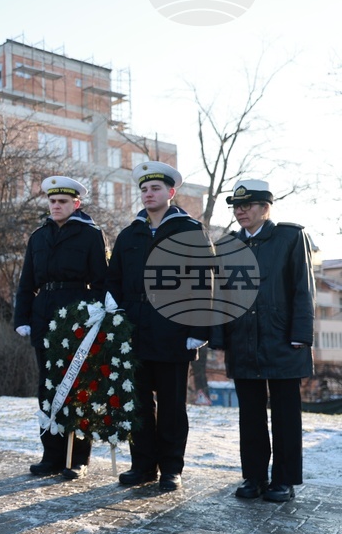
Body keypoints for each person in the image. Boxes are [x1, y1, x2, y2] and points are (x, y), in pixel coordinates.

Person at [105, 162, 209, 492]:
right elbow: (114, 279)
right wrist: (115, 312)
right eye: (144, 190)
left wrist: (199, 329)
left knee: (172, 405)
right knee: (137, 403)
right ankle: (143, 465)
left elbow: (206, 283)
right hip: (135, 331)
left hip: (174, 330)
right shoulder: (129, 234)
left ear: (171, 193)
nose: (149, 194)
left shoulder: (188, 231)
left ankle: (171, 468)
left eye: (156, 189)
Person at [210, 179, 314, 503]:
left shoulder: (290, 237)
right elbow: (220, 295)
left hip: (283, 339)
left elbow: (302, 288)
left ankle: (283, 480)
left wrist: (300, 335)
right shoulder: (227, 245)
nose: (240, 211)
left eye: (247, 205)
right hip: (243, 340)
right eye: (236, 206)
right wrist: (218, 338)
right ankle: (253, 476)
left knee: (285, 415)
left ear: (265, 207)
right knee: (250, 415)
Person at [14, 176, 107, 480]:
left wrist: (97, 313)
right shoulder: (39, 236)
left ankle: (77, 457)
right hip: (44, 315)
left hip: (77, 314)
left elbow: (100, 281)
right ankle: (51, 454)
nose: (56, 206)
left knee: (78, 388)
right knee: (48, 388)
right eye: (52, 201)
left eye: (62, 202)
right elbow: (26, 281)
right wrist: (22, 318)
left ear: (76, 204)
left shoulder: (90, 235)